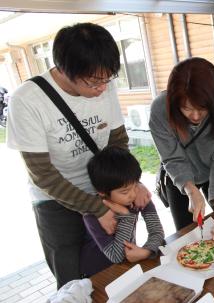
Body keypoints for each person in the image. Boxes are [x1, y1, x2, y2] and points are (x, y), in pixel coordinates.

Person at [7, 23, 150, 289]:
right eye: (94, 82)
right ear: (64, 69)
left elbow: (117, 143)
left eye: (107, 79)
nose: (103, 88)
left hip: (105, 193)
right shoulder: (27, 100)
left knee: (118, 268)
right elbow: (42, 174)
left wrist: (132, 183)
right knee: (75, 283)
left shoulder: (104, 83)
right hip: (57, 203)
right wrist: (96, 209)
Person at [150, 57, 214, 238]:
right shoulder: (160, 110)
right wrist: (190, 189)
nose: (196, 116)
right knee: (187, 236)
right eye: (187, 108)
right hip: (178, 177)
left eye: (203, 108)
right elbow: (172, 158)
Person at [80, 146, 165, 277]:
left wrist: (146, 251)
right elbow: (116, 256)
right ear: (102, 193)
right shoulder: (92, 216)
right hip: (99, 273)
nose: (133, 194)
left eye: (136, 185)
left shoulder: (138, 196)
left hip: (127, 267)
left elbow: (157, 231)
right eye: (125, 192)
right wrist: (126, 215)